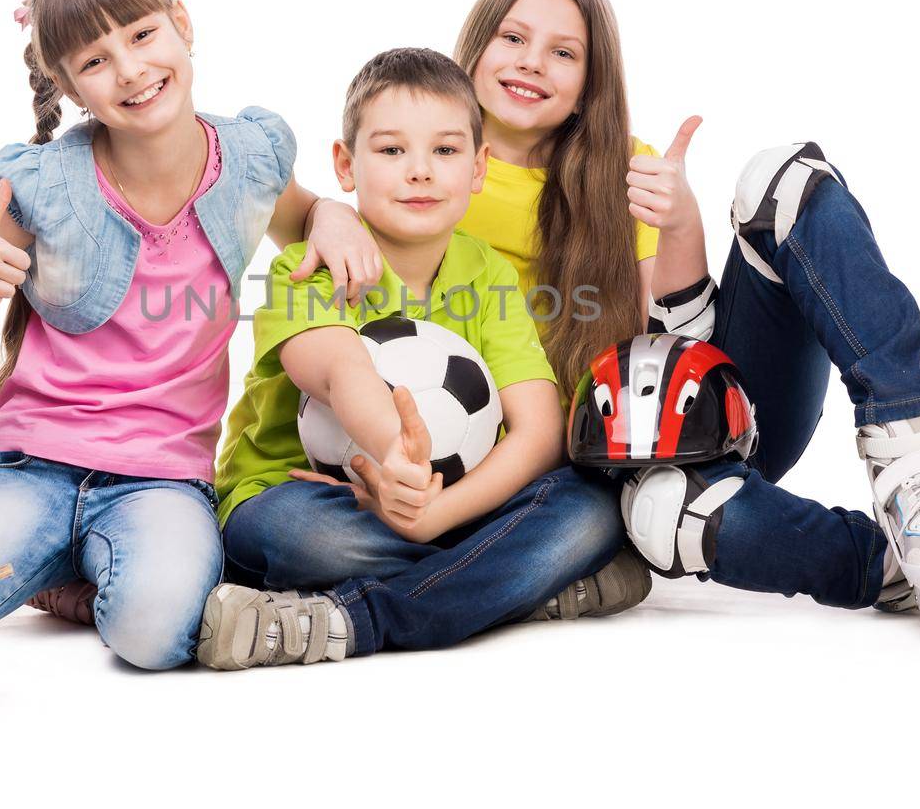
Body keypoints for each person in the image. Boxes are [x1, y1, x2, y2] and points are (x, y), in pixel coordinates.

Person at [449, 0, 920, 660]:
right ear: (475, 46)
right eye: (513, 38)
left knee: (783, 176)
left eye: (563, 52)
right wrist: (333, 220)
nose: (532, 63)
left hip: (710, 409)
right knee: (670, 514)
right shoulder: (421, 171)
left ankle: (919, 461)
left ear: (587, 87)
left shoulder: (621, 168)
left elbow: (676, 335)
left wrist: (682, 223)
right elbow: (343, 213)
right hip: (619, 469)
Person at [0, 0, 381, 676]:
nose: (129, 69)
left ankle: (65, 580)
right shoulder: (45, 186)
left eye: (140, 35)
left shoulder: (249, 159)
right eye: (94, 61)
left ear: (181, 24)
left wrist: (335, 216)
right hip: (32, 466)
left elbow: (305, 212)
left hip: (162, 480)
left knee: (154, 636)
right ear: (68, 85)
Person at [196, 47, 643, 670]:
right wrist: (396, 458)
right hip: (301, 497)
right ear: (345, 165)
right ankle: (518, 584)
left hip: (445, 506)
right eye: (391, 150)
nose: (420, 172)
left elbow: (540, 430)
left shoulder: (486, 274)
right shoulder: (309, 265)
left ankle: (348, 619)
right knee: (300, 537)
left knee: (592, 509)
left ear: (479, 167)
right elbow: (336, 367)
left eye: (446, 150)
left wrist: (435, 514)